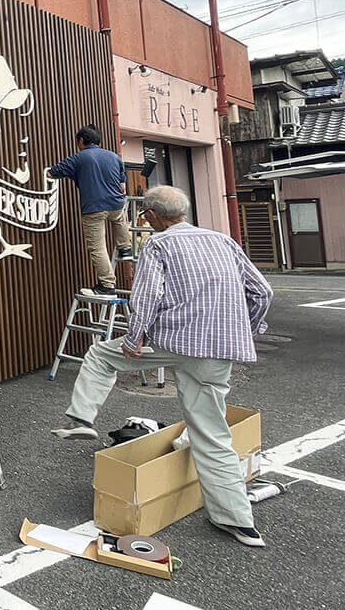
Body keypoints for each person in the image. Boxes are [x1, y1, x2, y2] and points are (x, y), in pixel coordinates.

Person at [51, 185, 274, 549]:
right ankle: (239, 523)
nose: (144, 220)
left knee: (102, 355)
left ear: (152, 215)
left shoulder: (159, 244)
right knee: (212, 434)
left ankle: (81, 419)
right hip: (219, 352)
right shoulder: (223, 241)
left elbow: (147, 295)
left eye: (146, 216)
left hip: (174, 341)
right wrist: (246, 329)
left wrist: (134, 337)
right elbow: (262, 292)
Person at [49, 125, 128, 292]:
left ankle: (107, 284)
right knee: (119, 219)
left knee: (98, 247)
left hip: (94, 208)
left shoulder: (79, 158)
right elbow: (122, 188)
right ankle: (125, 247)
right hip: (116, 204)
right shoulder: (114, 157)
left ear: (81, 141)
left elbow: (53, 173)